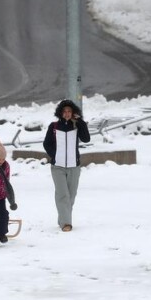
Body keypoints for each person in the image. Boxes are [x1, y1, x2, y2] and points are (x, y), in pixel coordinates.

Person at [43, 99, 90, 231]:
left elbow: (86, 139)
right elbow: (47, 144)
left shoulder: (76, 125)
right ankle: (66, 223)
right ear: (60, 113)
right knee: (62, 194)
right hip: (57, 167)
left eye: (69, 111)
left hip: (74, 166)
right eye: (64, 111)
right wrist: (55, 155)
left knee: (71, 195)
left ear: (73, 112)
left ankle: (63, 218)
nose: (67, 113)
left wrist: (80, 121)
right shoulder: (54, 127)